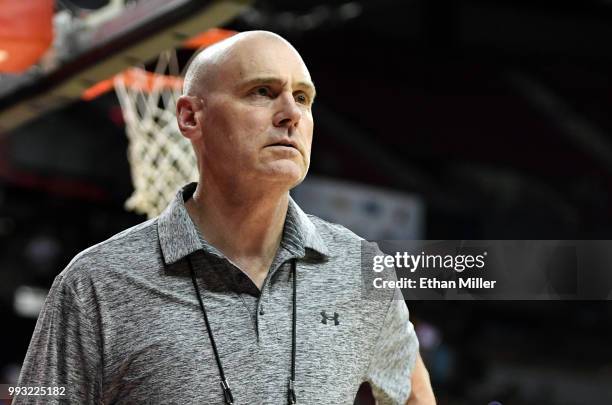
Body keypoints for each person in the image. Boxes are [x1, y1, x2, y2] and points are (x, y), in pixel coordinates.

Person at [15, 31, 435, 404]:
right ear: (190, 117)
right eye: (262, 92)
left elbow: (413, 390)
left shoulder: (359, 269)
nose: (291, 112)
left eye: (303, 98)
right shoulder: (96, 284)